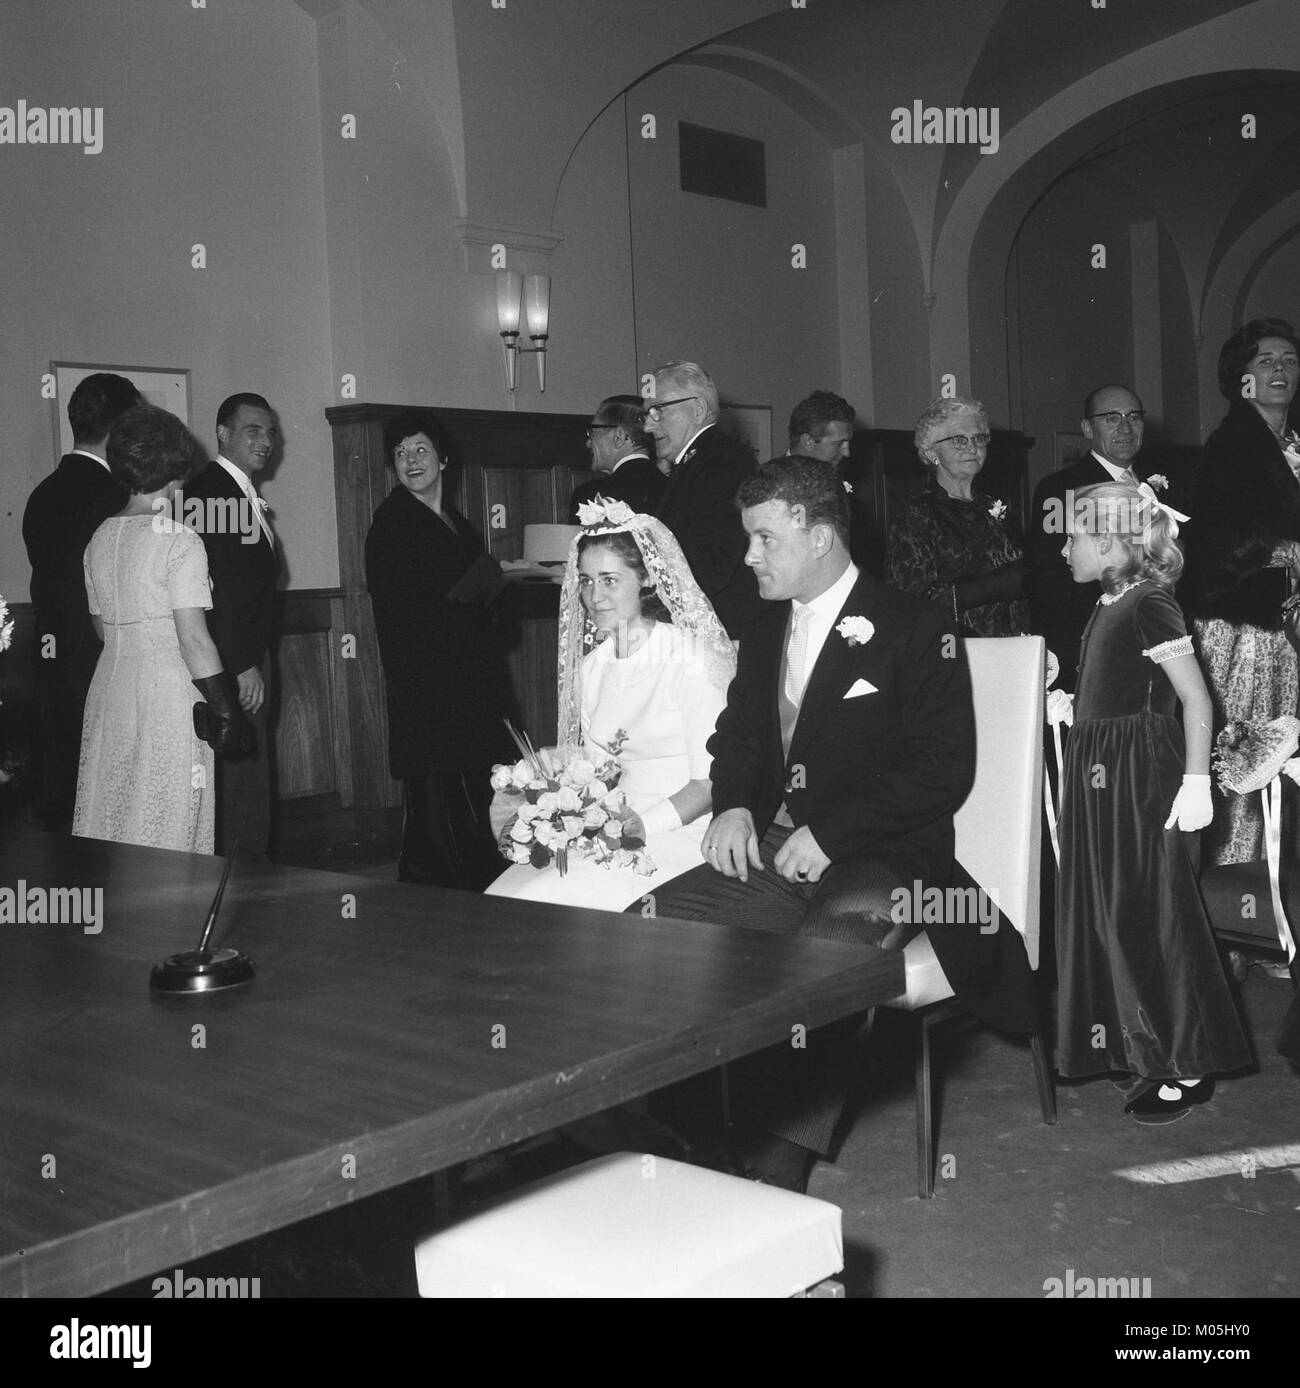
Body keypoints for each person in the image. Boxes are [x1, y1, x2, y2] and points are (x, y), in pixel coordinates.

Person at [647, 457, 1035, 1189]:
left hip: (888, 855)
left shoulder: (917, 627)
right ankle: (688, 1131)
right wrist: (733, 803)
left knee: (829, 952)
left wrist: (831, 835)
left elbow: (941, 769)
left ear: (819, 536)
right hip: (774, 850)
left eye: (765, 539)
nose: (748, 556)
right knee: (650, 927)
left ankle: (779, 1163)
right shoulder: (763, 627)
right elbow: (738, 738)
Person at [1055, 480, 1252, 1122]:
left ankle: (1188, 1062)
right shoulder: (1111, 601)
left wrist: (1196, 782)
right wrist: (1072, 709)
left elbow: (1195, 698)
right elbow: (1118, 685)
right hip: (1102, 772)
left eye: (1073, 537)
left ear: (1109, 543)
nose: (1063, 549)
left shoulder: (1150, 602)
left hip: (1140, 775)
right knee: (1115, 909)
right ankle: (1140, 1042)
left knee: (1157, 911)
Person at [485, 501, 735, 910]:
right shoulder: (591, 669)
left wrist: (640, 825)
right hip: (611, 825)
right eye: (585, 581)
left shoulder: (690, 660)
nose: (594, 596)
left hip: (681, 828)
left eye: (610, 580)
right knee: (504, 897)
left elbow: (710, 784)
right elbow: (596, 769)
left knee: (548, 900)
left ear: (646, 579)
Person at [74, 405, 252, 853]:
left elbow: (102, 628)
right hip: (168, 696)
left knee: (116, 814)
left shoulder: (98, 538)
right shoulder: (179, 540)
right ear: (176, 473)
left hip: (110, 690)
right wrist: (226, 710)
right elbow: (193, 639)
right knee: (171, 818)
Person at [365, 409, 514, 889]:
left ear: (443, 458)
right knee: (436, 799)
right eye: (401, 453)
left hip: (467, 681)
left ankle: (478, 882)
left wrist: (485, 599)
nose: (411, 460)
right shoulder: (392, 524)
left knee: (472, 788)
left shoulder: (456, 522)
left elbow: (484, 596)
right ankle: (439, 894)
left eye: (421, 449)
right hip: (426, 683)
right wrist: (471, 605)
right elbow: (408, 614)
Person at [1182, 319, 1300, 864]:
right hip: (1239, 630)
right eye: (1265, 360)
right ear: (1241, 377)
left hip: (1281, 624)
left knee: (1283, 754)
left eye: (1289, 361)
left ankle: (1274, 885)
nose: (1280, 370)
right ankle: (1236, 891)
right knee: (1247, 758)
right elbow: (1217, 542)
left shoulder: (1288, 443)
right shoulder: (1231, 444)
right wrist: (1290, 551)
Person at [22, 372, 142, 827]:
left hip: (52, 662)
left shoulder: (42, 494)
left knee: (65, 796)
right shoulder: (116, 499)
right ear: (120, 430)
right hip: (103, 664)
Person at [185, 393, 281, 858]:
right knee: (240, 779)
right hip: (230, 662)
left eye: (270, 432)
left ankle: (248, 872)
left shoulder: (236, 491)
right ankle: (244, 878)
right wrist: (242, 665)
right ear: (222, 433)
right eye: (252, 430)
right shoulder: (210, 493)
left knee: (248, 774)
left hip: (247, 656)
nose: (266, 441)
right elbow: (211, 592)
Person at [1028, 384, 1150, 691]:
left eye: (1134, 417)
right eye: (1111, 418)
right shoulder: (1061, 490)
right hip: (1095, 644)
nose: (1126, 428)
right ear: (1087, 428)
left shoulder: (1159, 483)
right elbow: (1053, 577)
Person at [888, 396, 1027, 636]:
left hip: (1011, 646)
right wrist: (989, 587)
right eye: (959, 440)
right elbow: (909, 604)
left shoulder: (991, 507)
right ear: (931, 452)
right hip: (954, 648)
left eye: (979, 438)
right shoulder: (918, 514)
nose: (972, 447)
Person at [648, 360, 761, 640]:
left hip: (719, 634)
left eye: (658, 410)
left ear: (697, 409)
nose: (649, 425)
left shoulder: (719, 463)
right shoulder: (699, 461)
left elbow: (709, 567)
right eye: (647, 414)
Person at [786, 389, 877, 573]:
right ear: (808, 441)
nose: (847, 452)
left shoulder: (842, 486)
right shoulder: (770, 485)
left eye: (848, 443)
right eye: (838, 443)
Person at [568, 395, 663, 519]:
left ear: (619, 437)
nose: (588, 443)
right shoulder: (672, 487)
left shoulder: (589, 496)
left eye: (592, 432)